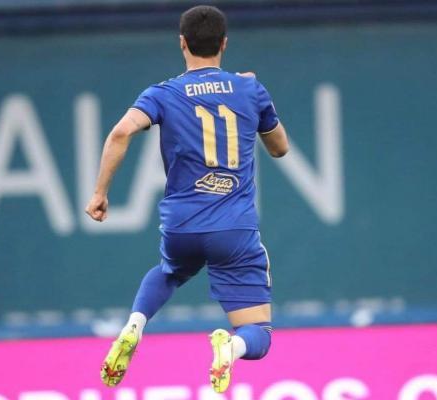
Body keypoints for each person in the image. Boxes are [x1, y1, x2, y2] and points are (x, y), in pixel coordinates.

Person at [84, 4, 289, 393]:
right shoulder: (249, 88)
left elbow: (120, 133)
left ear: (182, 43)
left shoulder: (163, 93)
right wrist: (259, 98)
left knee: (170, 270)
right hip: (233, 229)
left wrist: (100, 193)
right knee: (258, 333)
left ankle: (135, 324)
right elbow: (280, 148)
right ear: (224, 43)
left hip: (182, 226)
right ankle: (232, 348)